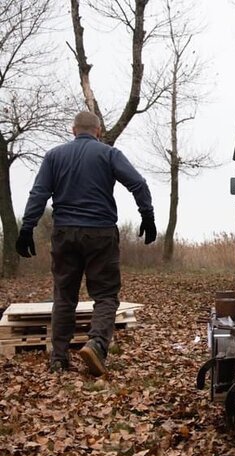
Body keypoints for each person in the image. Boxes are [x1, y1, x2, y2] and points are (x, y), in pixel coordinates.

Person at [16, 111, 156, 376]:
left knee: (64, 296)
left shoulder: (54, 156)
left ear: (73, 130)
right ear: (98, 131)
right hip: (101, 233)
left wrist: (27, 228)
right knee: (104, 295)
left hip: (65, 232)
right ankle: (96, 344)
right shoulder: (109, 154)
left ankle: (58, 358)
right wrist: (147, 216)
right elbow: (138, 183)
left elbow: (39, 193)